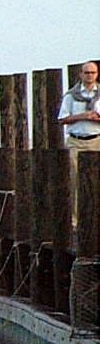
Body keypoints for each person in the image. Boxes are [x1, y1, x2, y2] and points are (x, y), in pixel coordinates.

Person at [58, 61, 100, 223]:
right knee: (74, 180)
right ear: (81, 74)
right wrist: (83, 116)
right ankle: (75, 221)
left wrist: (95, 118)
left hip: (96, 140)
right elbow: (62, 119)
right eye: (87, 72)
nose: (90, 76)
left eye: (93, 73)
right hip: (76, 141)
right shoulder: (71, 96)